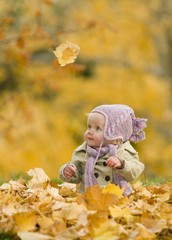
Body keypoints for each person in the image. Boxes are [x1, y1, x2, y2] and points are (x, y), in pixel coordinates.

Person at [59, 104, 147, 196]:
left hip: (116, 197)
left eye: (97, 128)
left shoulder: (124, 150)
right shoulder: (83, 151)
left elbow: (135, 169)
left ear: (116, 138)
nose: (89, 131)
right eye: (89, 127)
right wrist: (68, 172)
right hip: (88, 197)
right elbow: (76, 176)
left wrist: (122, 165)